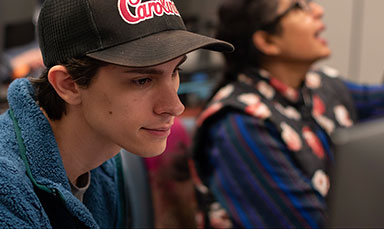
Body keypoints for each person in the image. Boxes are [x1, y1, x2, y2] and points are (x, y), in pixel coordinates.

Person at [0, 0, 233, 227]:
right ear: (68, 84)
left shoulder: (104, 156)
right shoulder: (6, 186)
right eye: (142, 80)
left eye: (175, 71)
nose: (175, 106)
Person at [192, 0, 384, 228]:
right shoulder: (240, 124)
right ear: (267, 41)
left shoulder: (320, 85)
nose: (318, 10)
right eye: (299, 7)